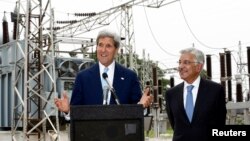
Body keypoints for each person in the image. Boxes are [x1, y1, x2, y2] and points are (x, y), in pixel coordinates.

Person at [55, 29, 153, 116]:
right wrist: (68, 110)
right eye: (100, 45)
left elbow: (137, 112)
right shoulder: (82, 77)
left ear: (116, 50)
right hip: (91, 134)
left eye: (108, 46)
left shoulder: (129, 77)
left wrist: (141, 106)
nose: (103, 50)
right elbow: (76, 112)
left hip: (121, 134)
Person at [165, 47, 227, 141]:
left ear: (199, 67)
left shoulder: (215, 91)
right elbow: (174, 124)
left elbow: (220, 123)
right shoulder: (171, 94)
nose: (181, 66)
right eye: (180, 62)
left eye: (186, 62)